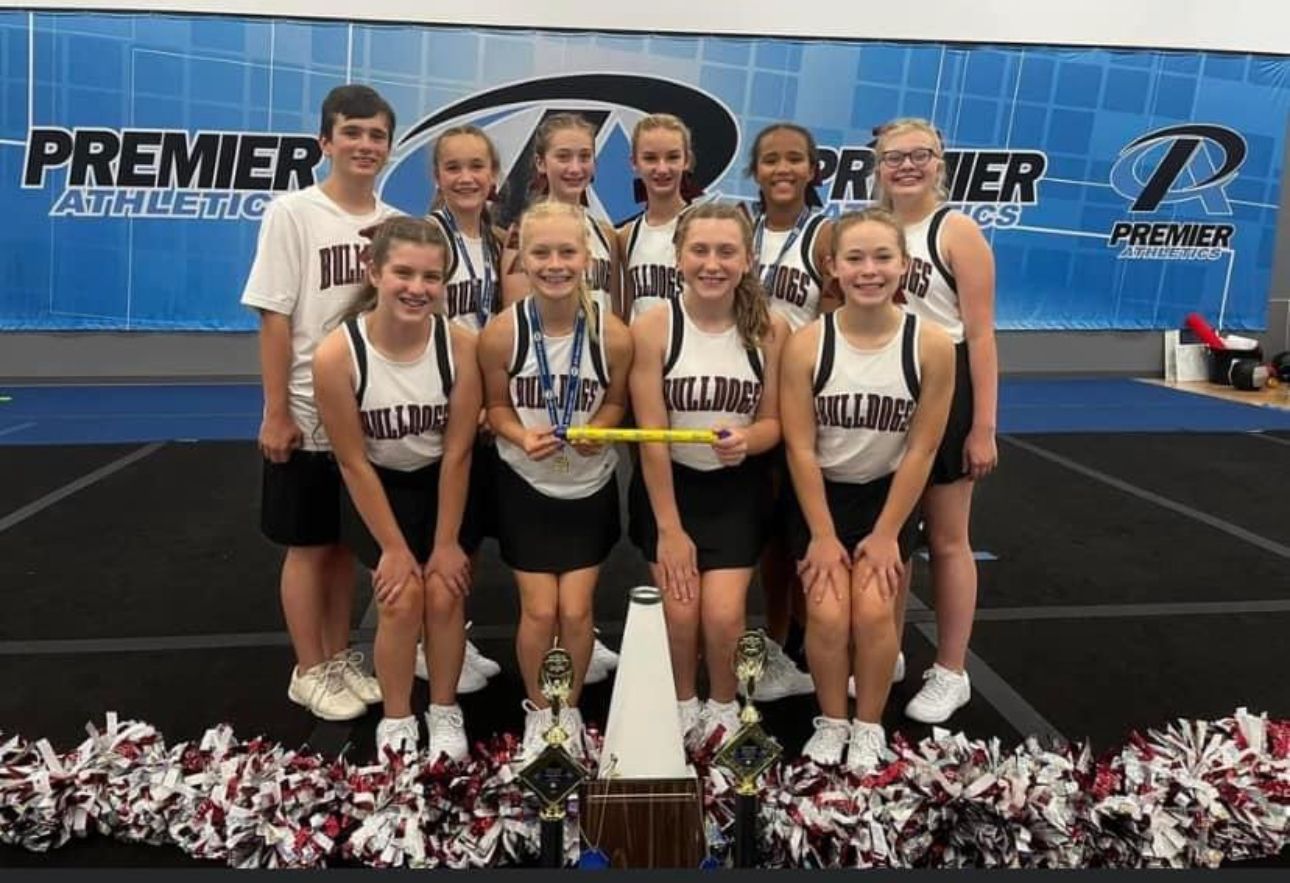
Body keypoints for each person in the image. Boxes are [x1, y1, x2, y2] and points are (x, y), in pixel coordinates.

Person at [241, 84, 399, 721]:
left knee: (342, 546)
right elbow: (275, 317)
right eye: (352, 133)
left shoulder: (391, 223)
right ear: (325, 142)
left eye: (377, 135)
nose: (365, 145)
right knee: (307, 546)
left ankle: (337, 657)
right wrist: (276, 410)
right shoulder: (293, 213)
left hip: (364, 418)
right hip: (307, 412)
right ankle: (307, 668)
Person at [782, 208, 954, 771]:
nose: (869, 270)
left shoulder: (930, 346)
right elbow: (801, 449)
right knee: (828, 616)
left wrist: (887, 534)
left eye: (883, 257)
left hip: (888, 498)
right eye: (854, 258)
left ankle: (870, 724)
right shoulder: (808, 346)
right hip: (821, 498)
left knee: (877, 612)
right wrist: (823, 535)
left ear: (904, 266)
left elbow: (922, 449)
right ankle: (832, 720)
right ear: (832, 267)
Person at [313, 216, 482, 760]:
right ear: (374, 272)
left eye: (431, 277)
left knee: (444, 592)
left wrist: (447, 541)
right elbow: (353, 460)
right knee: (400, 599)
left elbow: (457, 451)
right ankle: (397, 715)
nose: (417, 288)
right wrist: (391, 548)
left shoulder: (460, 346)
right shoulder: (337, 355)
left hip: (443, 483)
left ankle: (445, 709)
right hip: (377, 486)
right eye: (403, 273)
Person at [627, 202, 787, 748]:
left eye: (726, 251)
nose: (712, 263)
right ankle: (681, 702)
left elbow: (773, 423)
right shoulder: (652, 328)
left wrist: (750, 441)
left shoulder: (770, 329)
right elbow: (650, 439)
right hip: (669, 488)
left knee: (722, 616)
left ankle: (723, 704)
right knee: (680, 610)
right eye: (699, 250)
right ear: (677, 257)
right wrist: (669, 530)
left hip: (737, 492)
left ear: (748, 259)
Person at [477, 201, 633, 759]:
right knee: (541, 610)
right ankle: (540, 715)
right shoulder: (501, 334)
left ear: (586, 258)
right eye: (540, 253)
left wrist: (603, 428)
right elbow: (495, 408)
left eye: (567, 251)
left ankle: (569, 709)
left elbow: (616, 400)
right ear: (521, 257)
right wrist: (519, 437)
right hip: (526, 484)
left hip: (589, 485)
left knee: (577, 610)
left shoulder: (612, 334)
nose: (554, 264)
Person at [872, 118, 999, 724]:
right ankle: (886, 650)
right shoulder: (874, 229)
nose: (906, 166)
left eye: (919, 155)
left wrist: (984, 426)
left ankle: (950, 671)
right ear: (878, 165)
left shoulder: (957, 229)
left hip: (946, 385)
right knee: (892, 535)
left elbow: (980, 332)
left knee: (948, 539)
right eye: (894, 156)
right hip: (885, 383)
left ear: (939, 162)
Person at [745, 122, 840, 702]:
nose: (782, 169)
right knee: (764, 535)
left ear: (812, 170)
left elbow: (834, 319)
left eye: (794, 160)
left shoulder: (825, 235)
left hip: (805, 399)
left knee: (802, 532)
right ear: (755, 171)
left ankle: (809, 636)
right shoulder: (740, 229)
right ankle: (775, 638)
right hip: (745, 397)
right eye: (771, 160)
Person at [420, 124, 511, 692]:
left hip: (482, 407)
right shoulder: (429, 237)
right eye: (453, 167)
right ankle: (428, 645)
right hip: (441, 402)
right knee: (437, 532)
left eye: (477, 166)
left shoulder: (499, 240)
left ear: (495, 176)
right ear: (437, 178)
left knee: (466, 535)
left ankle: (451, 631)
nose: (466, 177)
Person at [501, 113, 621, 320]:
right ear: (541, 163)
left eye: (584, 157)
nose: (575, 168)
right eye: (563, 157)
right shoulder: (521, 233)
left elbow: (616, 315)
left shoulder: (606, 235)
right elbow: (515, 321)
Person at [617, 114, 697, 322]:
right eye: (650, 158)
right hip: (646, 352)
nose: (662, 168)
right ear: (634, 163)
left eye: (672, 157)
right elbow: (626, 312)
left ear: (686, 160)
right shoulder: (627, 236)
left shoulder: (707, 227)